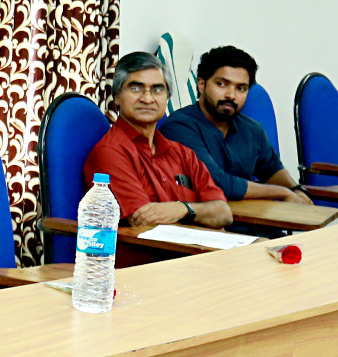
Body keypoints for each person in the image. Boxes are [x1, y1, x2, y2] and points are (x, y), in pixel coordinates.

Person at [84, 51, 232, 229]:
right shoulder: (110, 152)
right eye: (136, 88)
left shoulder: (183, 154)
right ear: (117, 96)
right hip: (150, 247)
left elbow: (223, 213)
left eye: (157, 89)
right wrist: (202, 213)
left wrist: (182, 209)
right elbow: (143, 222)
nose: (147, 99)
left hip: (196, 244)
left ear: (167, 98)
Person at [157, 45, 310, 204]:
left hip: (253, 217)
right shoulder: (179, 127)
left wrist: (296, 190)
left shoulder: (252, 129)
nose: (231, 95)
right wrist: (281, 192)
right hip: (205, 217)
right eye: (221, 84)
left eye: (241, 88)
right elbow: (215, 183)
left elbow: (272, 170)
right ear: (201, 85)